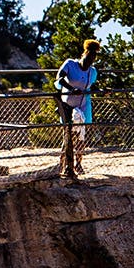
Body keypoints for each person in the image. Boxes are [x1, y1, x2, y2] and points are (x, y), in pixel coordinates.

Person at [57, 37, 102, 175]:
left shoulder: (92, 72)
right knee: (68, 134)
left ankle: (78, 163)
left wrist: (101, 91)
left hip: (82, 106)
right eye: (89, 57)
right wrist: (71, 89)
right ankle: (63, 163)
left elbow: (91, 86)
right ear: (84, 53)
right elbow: (59, 78)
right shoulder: (70, 64)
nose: (90, 61)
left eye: (93, 58)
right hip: (68, 105)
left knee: (81, 135)